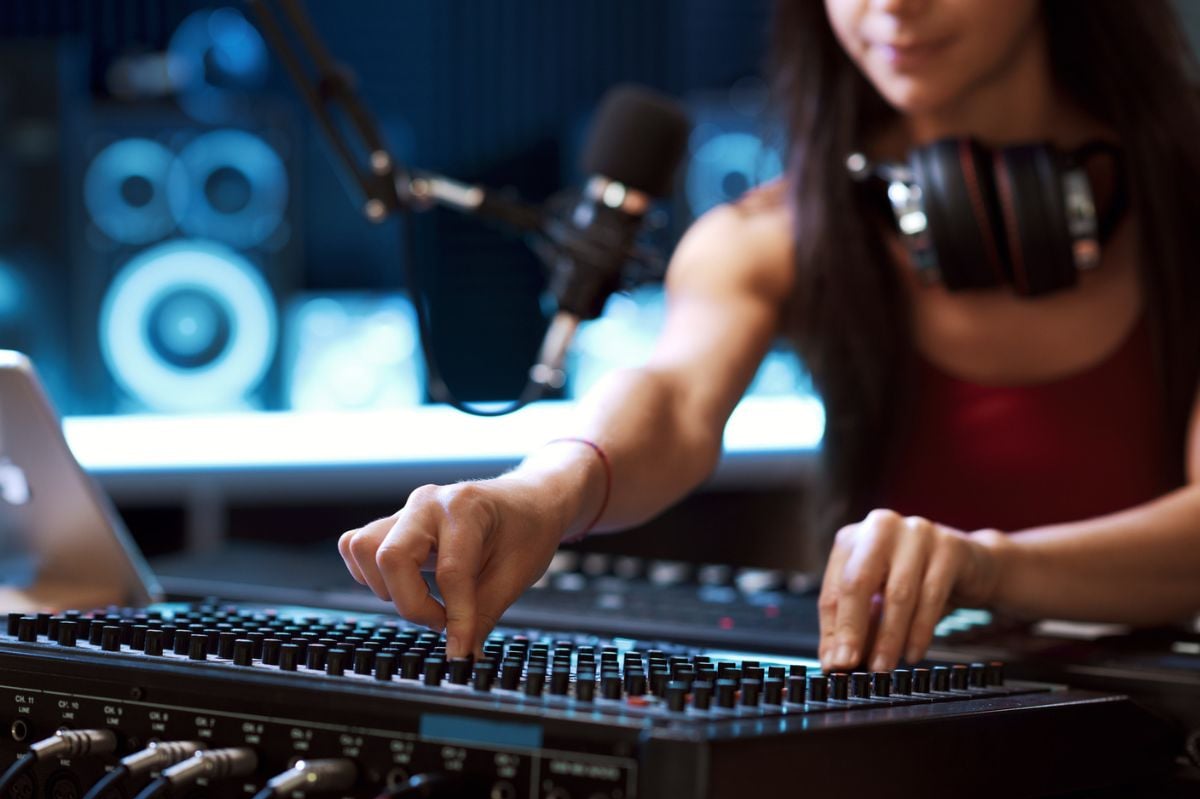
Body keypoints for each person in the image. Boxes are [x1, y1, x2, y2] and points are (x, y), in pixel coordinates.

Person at [339, 0, 1200, 672]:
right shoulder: (773, 233)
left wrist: (982, 568)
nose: (892, 11)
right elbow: (674, 400)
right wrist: (540, 491)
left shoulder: (1183, 198)